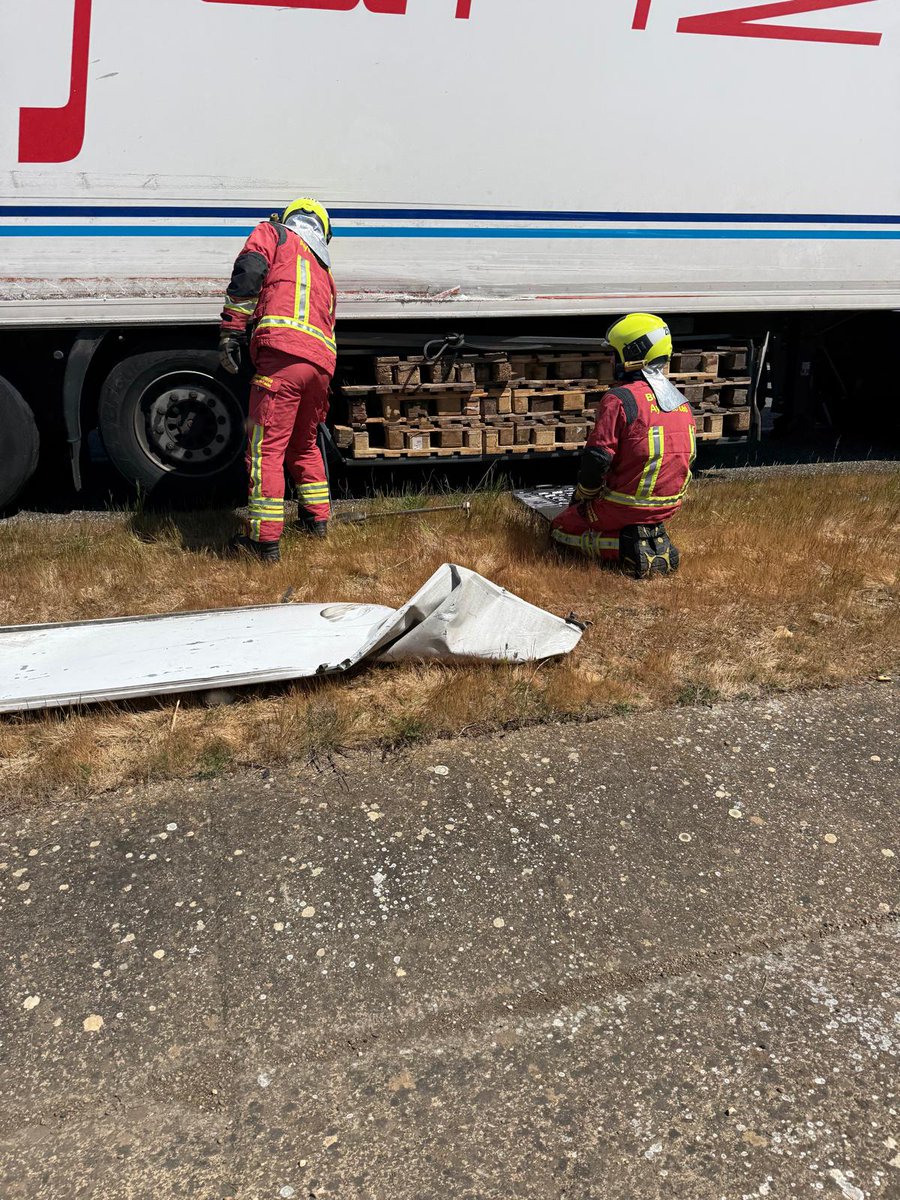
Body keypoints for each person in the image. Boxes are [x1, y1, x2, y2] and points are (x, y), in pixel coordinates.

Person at [219, 197, 337, 563]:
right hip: (320, 368)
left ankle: (263, 543)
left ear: (290, 219)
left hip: (281, 358)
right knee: (304, 446)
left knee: (266, 449)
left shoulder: (273, 234)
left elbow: (249, 272)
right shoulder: (325, 270)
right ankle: (317, 522)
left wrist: (231, 330)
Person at [551, 313, 696, 577]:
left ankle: (626, 547)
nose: (611, 360)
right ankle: (648, 535)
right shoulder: (681, 402)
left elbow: (598, 457)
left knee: (560, 528)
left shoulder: (619, 399)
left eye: (615, 353)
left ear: (631, 354)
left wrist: (584, 494)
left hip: (625, 505)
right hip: (670, 505)